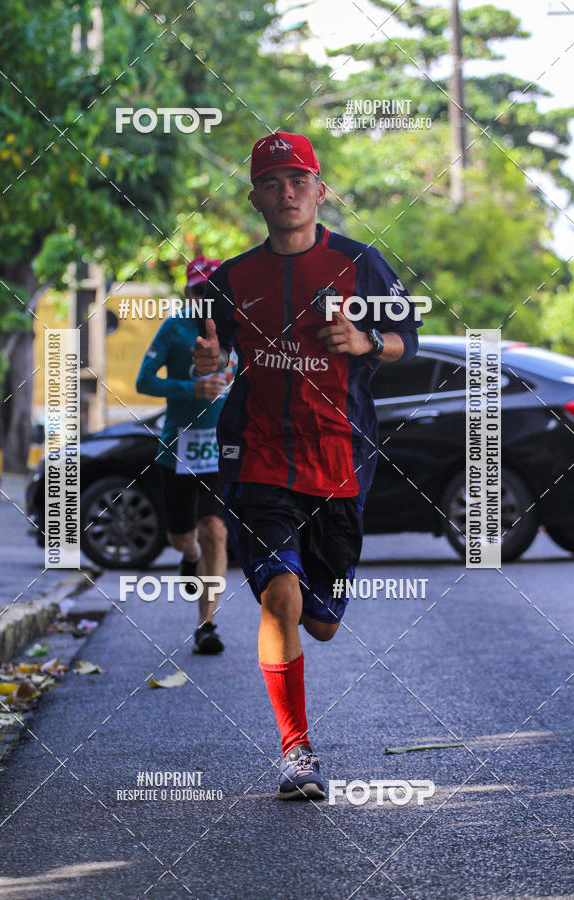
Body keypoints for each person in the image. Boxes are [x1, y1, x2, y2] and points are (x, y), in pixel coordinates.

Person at [193, 131, 421, 798]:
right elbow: (209, 359)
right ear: (256, 198)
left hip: (340, 458)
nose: (286, 191)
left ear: (320, 191)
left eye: (299, 180)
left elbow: (410, 336)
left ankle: (311, 620)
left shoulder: (362, 263)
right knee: (279, 596)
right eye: (272, 182)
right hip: (260, 456)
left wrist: (369, 339)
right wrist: (208, 371)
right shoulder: (228, 281)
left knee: (320, 620)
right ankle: (297, 753)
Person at [137, 255, 230, 654]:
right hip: (178, 450)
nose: (206, 297)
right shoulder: (173, 328)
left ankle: (207, 624)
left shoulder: (239, 330)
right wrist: (188, 390)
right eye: (199, 289)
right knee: (183, 538)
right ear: (187, 292)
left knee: (216, 531)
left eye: (214, 289)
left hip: (224, 450)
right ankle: (188, 556)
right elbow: (144, 381)